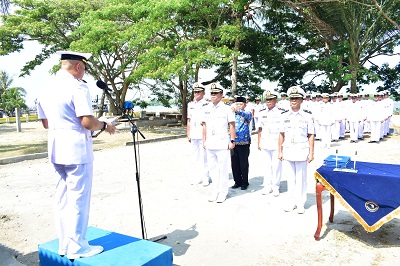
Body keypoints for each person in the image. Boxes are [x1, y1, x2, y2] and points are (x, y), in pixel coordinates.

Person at [37, 51, 116, 259]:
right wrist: (105, 124)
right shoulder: (77, 86)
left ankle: (64, 245)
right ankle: (78, 247)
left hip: (56, 149)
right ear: (79, 66)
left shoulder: (46, 87)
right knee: (78, 199)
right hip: (76, 151)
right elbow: (87, 122)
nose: (84, 72)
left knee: (62, 199)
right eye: (85, 68)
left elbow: (46, 123)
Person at [278, 86, 314, 214]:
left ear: (301, 100)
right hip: (288, 149)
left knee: (301, 178)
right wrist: (280, 151)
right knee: (290, 179)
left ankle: (300, 203)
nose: (293, 100)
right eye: (292, 98)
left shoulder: (307, 116)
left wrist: (311, 153)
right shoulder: (284, 116)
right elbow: (281, 134)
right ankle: (291, 202)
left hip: (301, 150)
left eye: (296, 98)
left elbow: (311, 135)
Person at [202, 83, 236, 203]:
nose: (213, 95)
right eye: (212, 93)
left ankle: (223, 192)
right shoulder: (206, 108)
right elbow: (204, 126)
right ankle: (214, 191)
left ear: (221, 95)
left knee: (223, 169)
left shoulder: (227, 108)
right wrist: (204, 140)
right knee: (213, 169)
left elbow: (232, 125)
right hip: (210, 143)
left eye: (216, 93)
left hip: (222, 143)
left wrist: (232, 140)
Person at [257, 91, 282, 196]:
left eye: (271, 99)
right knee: (266, 165)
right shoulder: (262, 112)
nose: (268, 102)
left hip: (276, 143)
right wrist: (259, 142)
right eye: (267, 100)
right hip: (265, 142)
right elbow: (260, 129)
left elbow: (283, 131)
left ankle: (276, 186)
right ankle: (267, 185)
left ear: (276, 100)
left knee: (276, 166)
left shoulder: (281, 113)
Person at [187, 82, 210, 186]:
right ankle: (198, 177)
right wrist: (188, 133)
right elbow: (189, 120)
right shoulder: (190, 104)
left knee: (204, 156)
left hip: (203, 133)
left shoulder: (207, 104)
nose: (196, 93)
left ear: (203, 93)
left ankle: (205, 177)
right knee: (195, 157)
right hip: (193, 133)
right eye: (195, 92)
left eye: (198, 92)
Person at [230, 96, 252, 190]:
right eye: (237, 104)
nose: (239, 105)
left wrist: (237, 111)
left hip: (244, 142)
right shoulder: (232, 114)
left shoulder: (247, 113)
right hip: (234, 142)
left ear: (244, 105)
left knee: (243, 164)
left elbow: (248, 117)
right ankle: (237, 181)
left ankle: (244, 182)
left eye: (241, 104)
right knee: (234, 164)